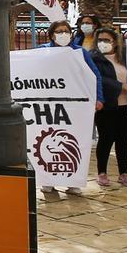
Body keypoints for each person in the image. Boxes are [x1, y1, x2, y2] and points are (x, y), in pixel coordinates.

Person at [39, 20, 104, 195]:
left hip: (75, 105)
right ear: (52, 34)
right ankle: (48, 180)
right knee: (47, 140)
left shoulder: (80, 52)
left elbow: (94, 76)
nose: (63, 34)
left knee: (74, 141)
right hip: (50, 105)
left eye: (66, 31)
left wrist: (98, 97)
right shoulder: (42, 51)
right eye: (59, 31)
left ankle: (73, 180)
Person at [92, 28, 127, 187]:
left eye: (107, 40)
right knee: (106, 139)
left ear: (115, 42)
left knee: (123, 140)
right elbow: (98, 79)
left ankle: (123, 173)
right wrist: (119, 86)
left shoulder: (126, 58)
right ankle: (102, 172)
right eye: (100, 40)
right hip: (107, 106)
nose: (103, 43)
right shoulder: (94, 58)